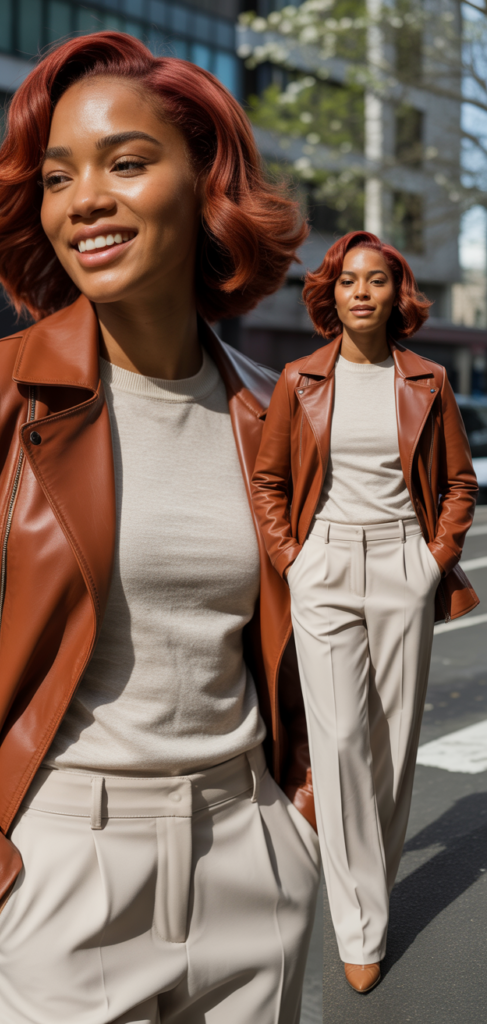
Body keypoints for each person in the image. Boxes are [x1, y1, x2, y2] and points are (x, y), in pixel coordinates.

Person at [0, 32, 321, 1024]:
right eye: (57, 178)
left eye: (126, 163)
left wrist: (303, 826)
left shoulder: (277, 418)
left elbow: (317, 657)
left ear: (208, 185)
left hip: (250, 861)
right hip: (56, 878)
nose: (83, 198)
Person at [252, 230, 478, 994]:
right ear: (330, 293)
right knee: (342, 741)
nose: (360, 292)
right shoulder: (300, 380)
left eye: (375, 280)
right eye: (347, 280)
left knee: (392, 743)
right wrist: (296, 559)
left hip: (402, 563)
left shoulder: (427, 382)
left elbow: (459, 482)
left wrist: (431, 560)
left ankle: (369, 890)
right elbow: (269, 481)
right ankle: (360, 924)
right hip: (323, 565)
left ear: (396, 294)